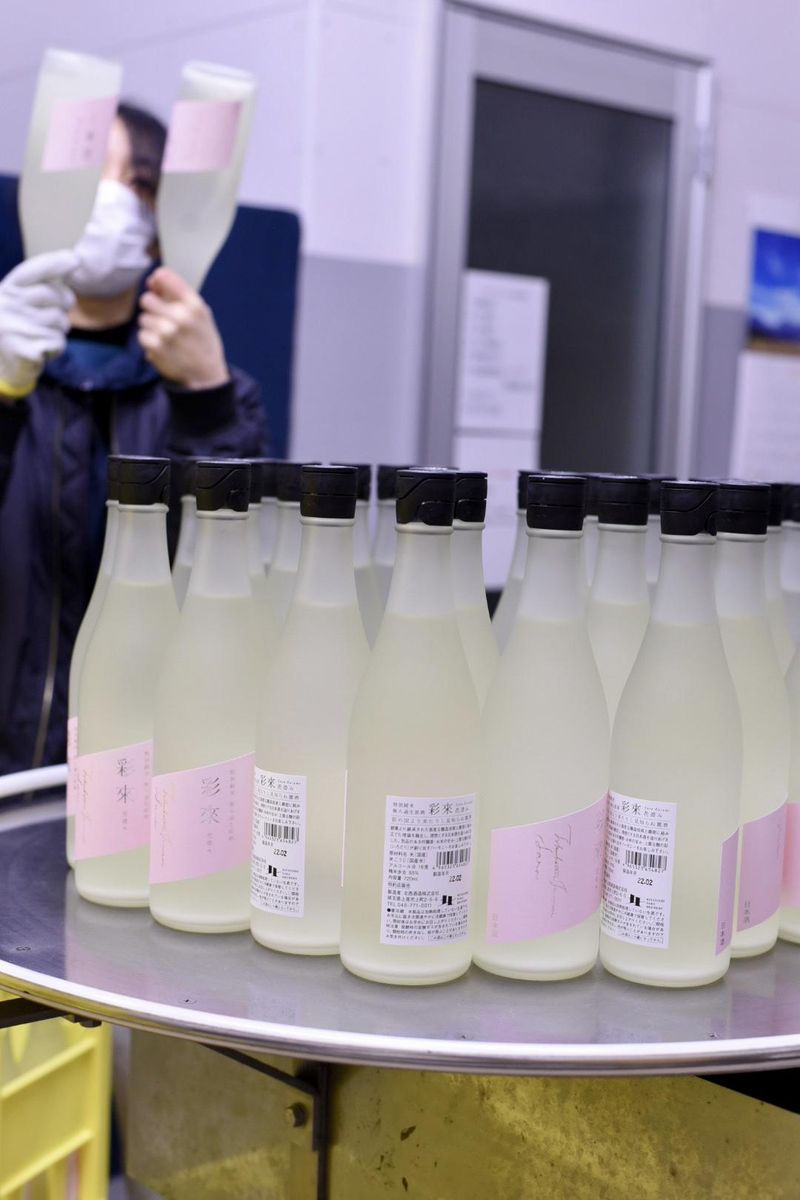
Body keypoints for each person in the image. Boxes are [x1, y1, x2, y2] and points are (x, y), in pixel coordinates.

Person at [0, 102, 269, 777]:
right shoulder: (8, 372)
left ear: (159, 227)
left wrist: (206, 400)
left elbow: (229, 584)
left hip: (144, 762)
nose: (112, 200)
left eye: (139, 183)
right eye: (91, 175)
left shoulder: (219, 394)